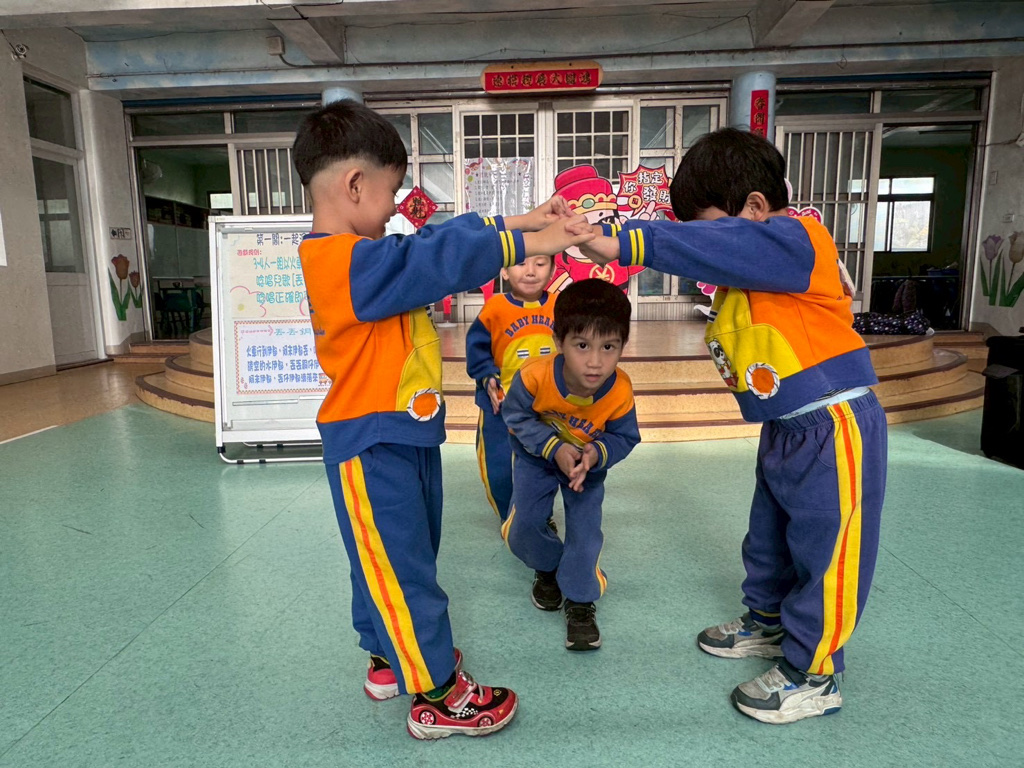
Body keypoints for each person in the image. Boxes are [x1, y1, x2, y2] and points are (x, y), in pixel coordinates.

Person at [293, 99, 593, 740]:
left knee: (399, 557)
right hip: (370, 438)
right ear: (355, 185)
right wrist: (527, 240)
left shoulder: (365, 254)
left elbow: (427, 245)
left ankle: (387, 656)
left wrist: (520, 221)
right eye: (391, 192)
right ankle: (437, 694)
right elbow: (430, 259)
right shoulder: (339, 261)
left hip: (402, 431)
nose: (394, 208)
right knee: (401, 569)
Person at [573, 127, 887, 724]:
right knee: (768, 537)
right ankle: (767, 622)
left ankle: (816, 674)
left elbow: (729, 244)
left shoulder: (798, 237)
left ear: (755, 207)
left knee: (828, 552)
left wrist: (626, 240)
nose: (706, 249)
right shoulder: (760, 263)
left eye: (707, 228)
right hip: (785, 427)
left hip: (834, 422)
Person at [500, 279, 640, 652]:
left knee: (585, 533)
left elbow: (625, 437)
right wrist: (553, 448)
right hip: (536, 460)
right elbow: (514, 416)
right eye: (582, 346)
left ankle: (579, 599)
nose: (595, 362)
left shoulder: (620, 391)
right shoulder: (534, 375)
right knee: (523, 528)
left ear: (623, 345)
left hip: (586, 470)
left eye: (608, 347)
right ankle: (548, 566)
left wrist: (593, 454)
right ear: (559, 341)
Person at [465, 254, 557, 523]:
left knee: (545, 464)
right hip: (500, 407)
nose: (530, 271)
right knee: (499, 467)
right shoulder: (494, 309)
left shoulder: (560, 306)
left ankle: (541, 516)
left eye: (540, 264)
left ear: (552, 269)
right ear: (504, 271)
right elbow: (477, 351)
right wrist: (487, 378)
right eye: (521, 263)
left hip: (545, 409)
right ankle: (510, 517)